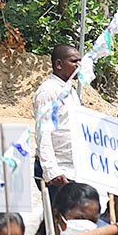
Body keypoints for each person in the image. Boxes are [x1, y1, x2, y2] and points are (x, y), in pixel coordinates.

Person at [33, 43, 83, 209]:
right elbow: (43, 133)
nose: (78, 65)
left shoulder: (70, 91)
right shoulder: (48, 92)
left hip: (71, 167)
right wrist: (51, 170)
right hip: (58, 171)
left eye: (80, 61)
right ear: (59, 64)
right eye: (74, 61)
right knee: (58, 222)